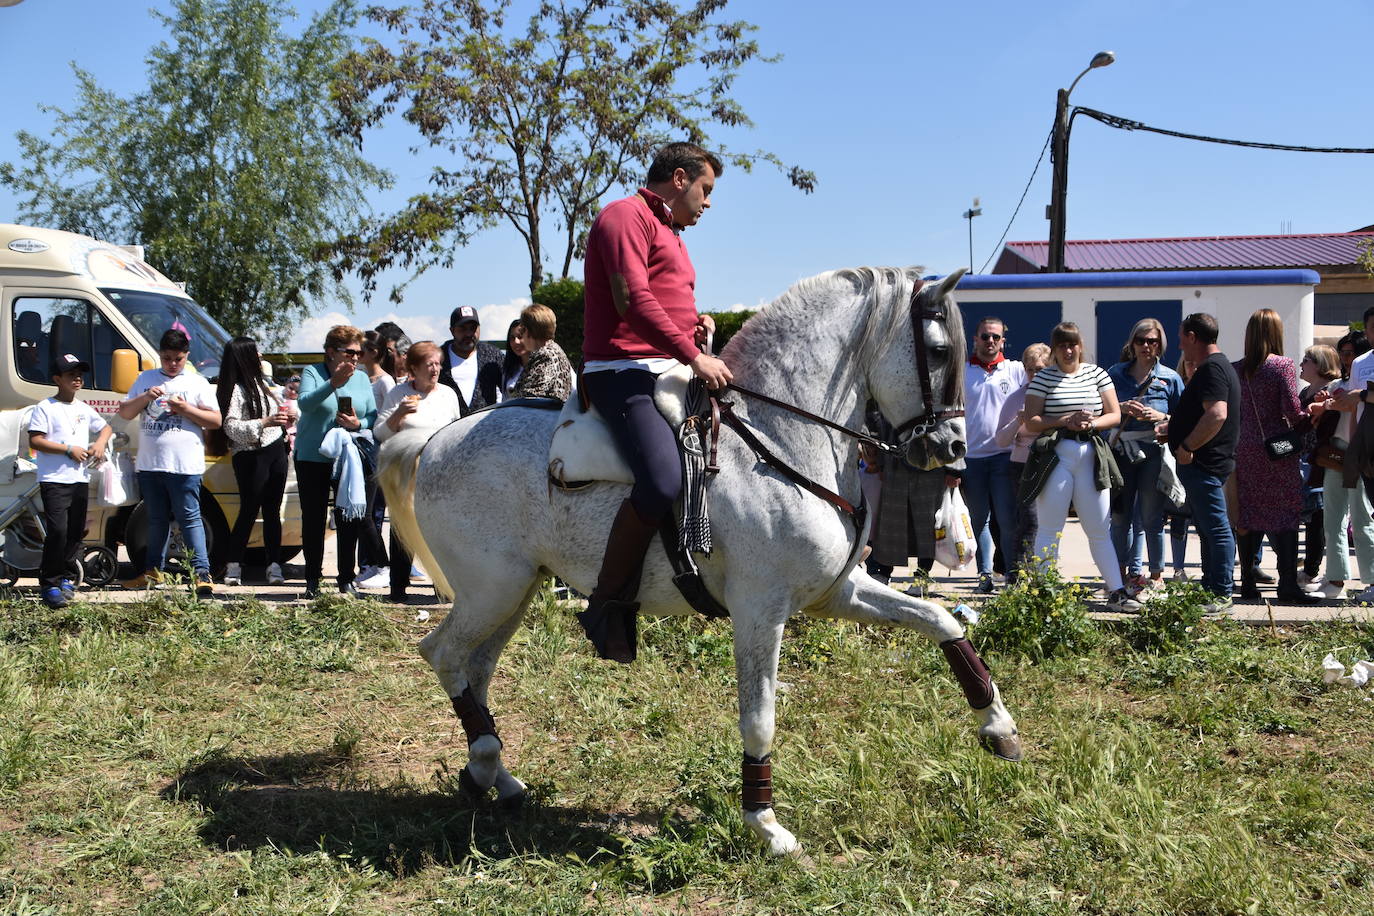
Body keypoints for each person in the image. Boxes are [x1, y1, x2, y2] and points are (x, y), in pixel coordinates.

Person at [577, 141, 731, 663]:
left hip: (663, 366)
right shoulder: (625, 216)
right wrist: (694, 355)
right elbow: (632, 300)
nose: (708, 203)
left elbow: (662, 301)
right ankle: (605, 603)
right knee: (662, 478)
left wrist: (696, 323)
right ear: (681, 177)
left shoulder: (671, 231)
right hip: (620, 372)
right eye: (706, 191)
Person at [1022, 322, 1138, 611]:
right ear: (1055, 349)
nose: (1068, 350)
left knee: (1099, 528)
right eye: (1062, 345)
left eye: (1072, 344)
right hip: (1056, 454)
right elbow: (1031, 421)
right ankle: (1045, 594)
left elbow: (1114, 414)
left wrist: (1090, 423)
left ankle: (1117, 590)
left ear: (1080, 346)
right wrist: (1064, 420)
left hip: (1090, 452)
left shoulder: (1097, 373)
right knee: (1050, 527)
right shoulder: (1044, 378)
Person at [117, 328, 222, 595]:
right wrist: (145, 397)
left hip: (184, 465)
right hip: (151, 463)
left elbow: (216, 421)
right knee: (156, 519)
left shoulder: (197, 383)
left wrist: (186, 409)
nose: (172, 364)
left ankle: (201, 573)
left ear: (187, 356)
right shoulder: (146, 378)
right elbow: (126, 412)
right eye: (166, 358)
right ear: (159, 356)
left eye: (178, 358)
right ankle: (153, 571)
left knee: (189, 517)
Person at [1229, 309, 1318, 604]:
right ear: (1276, 333)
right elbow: (1293, 411)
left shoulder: (1237, 368)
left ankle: (1247, 583)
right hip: (1277, 451)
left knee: (1249, 513)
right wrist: (1314, 414)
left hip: (1246, 449)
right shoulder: (1282, 366)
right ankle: (1288, 584)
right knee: (1286, 514)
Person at [1163, 312, 1241, 613]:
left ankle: (1221, 592)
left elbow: (1217, 414)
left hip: (1204, 463)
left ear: (1193, 337)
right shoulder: (1218, 367)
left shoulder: (1212, 369)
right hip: (1207, 462)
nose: (1180, 345)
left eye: (1182, 338)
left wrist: (1187, 445)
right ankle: (1212, 587)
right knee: (1210, 528)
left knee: (1217, 528)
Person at [295, 325, 378, 598]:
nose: (356, 358)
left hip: (348, 458)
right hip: (313, 456)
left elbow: (373, 417)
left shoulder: (363, 378)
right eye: (350, 352)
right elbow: (305, 404)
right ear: (331, 352)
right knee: (314, 518)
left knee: (348, 518)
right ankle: (312, 579)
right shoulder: (313, 372)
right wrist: (333, 383)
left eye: (360, 352)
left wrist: (358, 422)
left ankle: (346, 578)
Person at [377, 341, 463, 602]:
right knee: (403, 529)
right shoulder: (399, 394)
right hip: (405, 471)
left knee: (441, 529)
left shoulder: (447, 394)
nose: (435, 369)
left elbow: (456, 429)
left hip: (439, 471)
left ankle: (443, 587)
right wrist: (398, 415)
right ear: (413, 368)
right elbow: (380, 433)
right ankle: (398, 588)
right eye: (429, 364)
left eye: (438, 363)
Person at [1107, 318, 1185, 596]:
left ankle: (1156, 575)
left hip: (1153, 451)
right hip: (1122, 451)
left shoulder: (1169, 378)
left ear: (1160, 345)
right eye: (1140, 340)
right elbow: (1099, 409)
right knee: (1120, 517)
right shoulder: (1116, 373)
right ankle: (1119, 574)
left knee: (1152, 517)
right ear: (1132, 343)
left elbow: (1184, 418)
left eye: (1152, 341)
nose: (1146, 346)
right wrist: (1122, 408)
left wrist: (1161, 416)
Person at [28, 354, 112, 608]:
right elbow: (36, 440)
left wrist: (99, 443)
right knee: (58, 531)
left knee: (76, 530)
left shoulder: (83, 408)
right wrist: (68, 450)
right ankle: (49, 582)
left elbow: (106, 427)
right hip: (54, 479)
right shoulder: (46, 407)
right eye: (70, 374)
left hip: (79, 478)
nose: (77, 378)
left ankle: (66, 576)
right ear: (57, 379)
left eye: (80, 373)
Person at [209, 337, 290, 588]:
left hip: (276, 448)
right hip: (250, 453)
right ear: (245, 356)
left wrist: (286, 418)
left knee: (273, 511)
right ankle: (233, 565)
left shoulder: (263, 384)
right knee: (249, 510)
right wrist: (264, 422)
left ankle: (274, 564)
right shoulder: (235, 389)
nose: (261, 354)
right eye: (256, 351)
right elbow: (230, 426)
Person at [1308, 330, 1374, 601]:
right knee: (1332, 518)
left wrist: (1333, 403)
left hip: (1359, 453)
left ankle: (1370, 581)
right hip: (1335, 454)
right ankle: (1335, 579)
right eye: (1343, 353)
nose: (1346, 359)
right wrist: (1323, 405)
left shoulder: (1362, 386)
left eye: (1350, 353)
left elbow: (1348, 406)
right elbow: (1328, 404)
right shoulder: (1340, 384)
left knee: (1361, 519)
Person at [962, 316, 1026, 593]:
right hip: (971, 458)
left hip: (1005, 455)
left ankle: (1012, 575)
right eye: (985, 336)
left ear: (1003, 341)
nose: (990, 341)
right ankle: (984, 575)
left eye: (995, 337)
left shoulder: (1015, 370)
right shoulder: (961, 370)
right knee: (978, 520)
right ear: (975, 339)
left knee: (1007, 519)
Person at [994, 342, 1050, 582]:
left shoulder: (1056, 394)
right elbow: (1001, 440)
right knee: (1029, 520)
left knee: (1049, 522)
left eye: (1040, 369)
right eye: (1030, 370)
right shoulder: (1016, 397)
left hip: (1052, 463)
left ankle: (1044, 574)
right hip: (1022, 464)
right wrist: (1018, 422)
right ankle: (1018, 576)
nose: (1035, 375)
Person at [1296, 345, 1339, 594]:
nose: (1301, 364)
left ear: (1320, 363)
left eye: (1307, 360)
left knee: (1318, 519)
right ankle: (1309, 568)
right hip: (1302, 460)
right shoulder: (1305, 391)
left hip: (1321, 461)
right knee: (1309, 517)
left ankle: (1312, 570)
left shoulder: (1330, 391)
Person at [439, 305, 503, 414]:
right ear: (452, 331)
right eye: (462, 329)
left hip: (484, 426)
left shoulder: (493, 356)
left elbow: (509, 388)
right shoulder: (439, 358)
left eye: (473, 328)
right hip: (447, 427)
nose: (468, 334)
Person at [1167, 355, 1197, 580]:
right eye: (1189, 363)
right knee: (1179, 514)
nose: (1193, 367)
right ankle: (1178, 567)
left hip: (1204, 460)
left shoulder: (1212, 389)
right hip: (1177, 458)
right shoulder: (1178, 388)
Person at [512, 304, 573, 401]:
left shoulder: (545, 355)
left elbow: (530, 396)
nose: (521, 338)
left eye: (521, 332)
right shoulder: (553, 350)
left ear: (527, 330)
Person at [501, 319, 527, 398]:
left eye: (520, 337)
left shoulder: (540, 366)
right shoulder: (509, 370)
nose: (516, 341)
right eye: (512, 338)